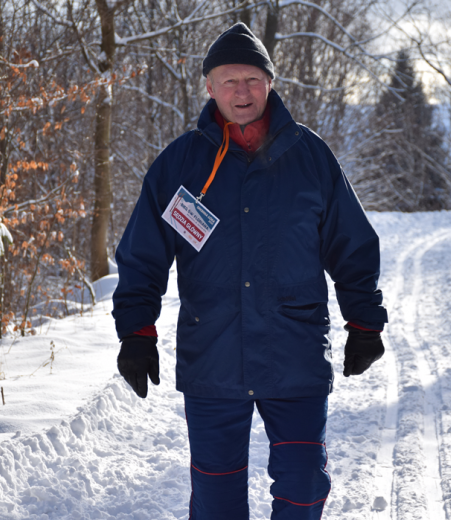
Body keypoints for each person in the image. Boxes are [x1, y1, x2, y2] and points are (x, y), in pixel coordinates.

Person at [112, 23, 387, 520]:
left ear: (271, 83)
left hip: (295, 351)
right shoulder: (180, 165)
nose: (242, 92)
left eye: (253, 80)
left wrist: (364, 322)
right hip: (212, 355)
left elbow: (351, 245)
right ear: (210, 87)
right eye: (229, 81)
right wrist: (136, 331)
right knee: (216, 499)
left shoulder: (310, 158)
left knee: (304, 484)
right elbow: (142, 256)